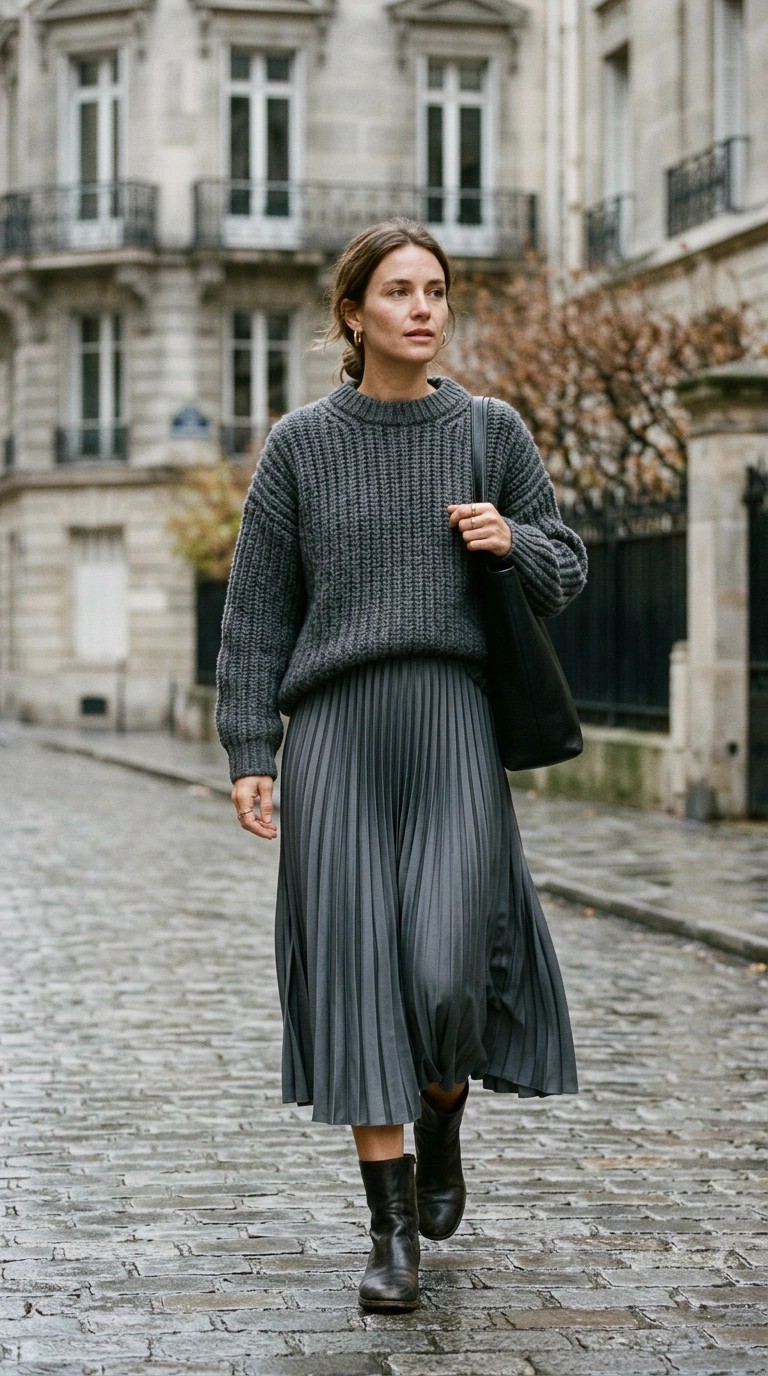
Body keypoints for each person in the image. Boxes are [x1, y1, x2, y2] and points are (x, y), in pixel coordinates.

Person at [215, 218, 587, 1313]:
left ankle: (442, 1106)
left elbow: (566, 564)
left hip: (452, 723)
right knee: (357, 971)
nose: (422, 307)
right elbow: (255, 611)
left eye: (435, 290)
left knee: (442, 969)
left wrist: (510, 539)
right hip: (333, 732)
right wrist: (250, 745)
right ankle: (389, 1235)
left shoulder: (489, 429)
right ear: (353, 313)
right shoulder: (299, 446)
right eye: (399, 291)